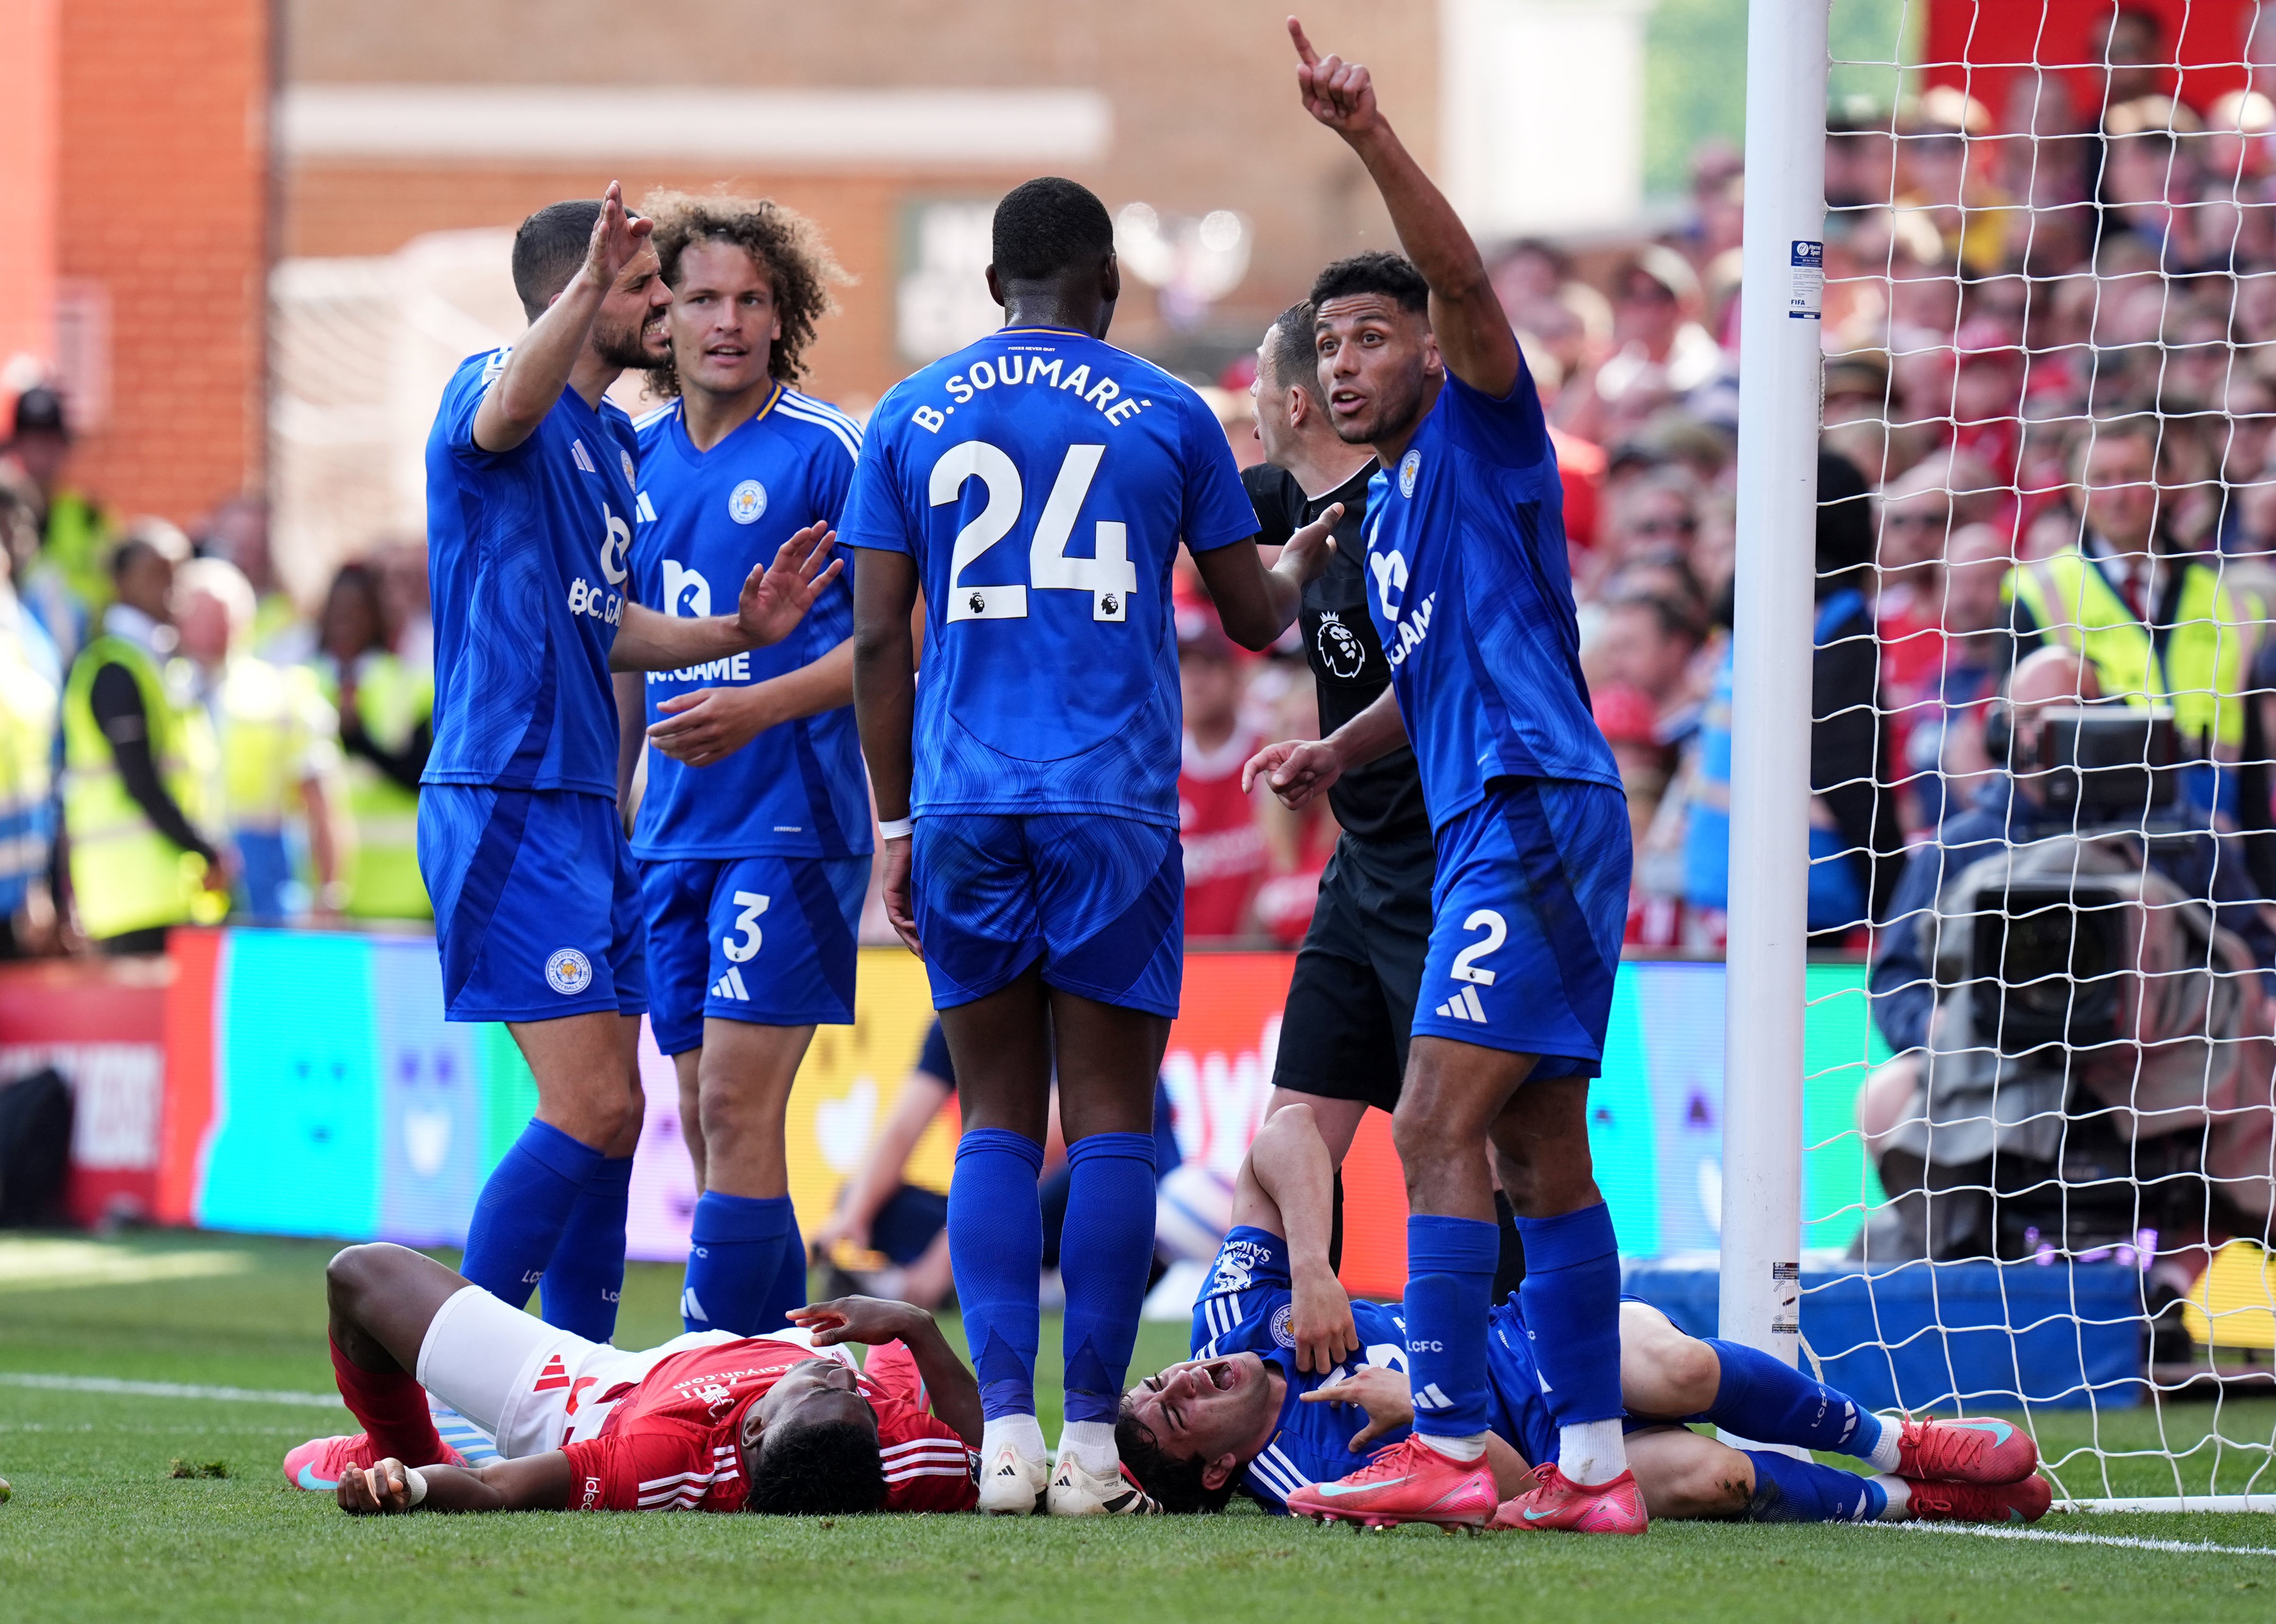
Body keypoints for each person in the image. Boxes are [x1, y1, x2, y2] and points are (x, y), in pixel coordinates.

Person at [842, 174, 1336, 1515]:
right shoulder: (1168, 412)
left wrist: (893, 822)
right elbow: (1247, 619)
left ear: (992, 286)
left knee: (995, 1117)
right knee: (1112, 1124)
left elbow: (879, 637)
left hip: (959, 801)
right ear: (1106, 285)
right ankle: (1092, 1451)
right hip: (1111, 801)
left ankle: (1001, 1438)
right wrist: (1302, 553)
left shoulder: (909, 410)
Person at [1252, 21, 1638, 1534]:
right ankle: (1594, 1471)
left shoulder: (1481, 429)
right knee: (1537, 1149)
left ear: (1425, 348)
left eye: (1369, 338)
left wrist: (1365, 136)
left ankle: (1453, 1441)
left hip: (1534, 807)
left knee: (1427, 1123)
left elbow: (1468, 283)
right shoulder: (1395, 515)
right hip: (1501, 805)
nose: (1344, 363)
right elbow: (1428, 681)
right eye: (1326, 346)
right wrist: (1333, 746)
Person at [420, 184, 844, 1350]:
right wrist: (571, 298)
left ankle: (588, 1380)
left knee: (626, 1118)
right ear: (580, 297)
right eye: (653, 285)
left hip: (592, 812)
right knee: (601, 1103)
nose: (671, 307)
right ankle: (462, 1374)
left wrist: (735, 639)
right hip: (504, 797)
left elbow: (604, 622)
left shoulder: (611, 446)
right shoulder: (493, 384)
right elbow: (509, 404)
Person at [1114, 1103, 2050, 1528]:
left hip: (1530, 1338)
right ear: (1219, 1468)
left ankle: (1898, 1444)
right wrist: (1424, 1413)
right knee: (1713, 1477)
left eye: (1158, 1379)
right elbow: (1513, 1493)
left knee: (1672, 1368)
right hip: (1556, 1461)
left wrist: (1311, 1267)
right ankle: (1914, 1503)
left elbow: (1280, 1139)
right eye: (1176, 1410)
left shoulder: (1233, 1314)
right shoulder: (1299, 1477)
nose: (1183, 1377)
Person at [616, 192, 869, 1341]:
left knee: (734, 1098)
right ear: (661, 316)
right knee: (704, 1119)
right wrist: (614, 803)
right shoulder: (630, 458)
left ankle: (717, 1372)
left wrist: (755, 708)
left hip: (791, 821)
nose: (726, 321)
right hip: (667, 832)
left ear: (783, 317)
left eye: (751, 300)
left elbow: (894, 643)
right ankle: (788, 1376)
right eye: (703, 297)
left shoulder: (826, 452)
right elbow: (624, 646)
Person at [1243, 298, 1529, 1287]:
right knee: (1291, 1127)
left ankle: (1504, 1371)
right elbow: (1175, 510)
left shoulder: (1407, 509)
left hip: (1446, 867)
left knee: (1461, 1141)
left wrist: (1333, 745)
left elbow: (1449, 672)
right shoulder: (1294, 505)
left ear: (1294, 403)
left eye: (1254, 391)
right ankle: (1270, 1361)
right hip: (1359, 867)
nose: (1247, 415)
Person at [283, 1242, 977, 1516]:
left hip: (590, 1390)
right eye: (853, 1394)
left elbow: (502, 1486)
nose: (836, 1376)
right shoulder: (894, 1450)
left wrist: (411, 1482)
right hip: (706, 1361)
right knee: (891, 1367)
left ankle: (394, 1441)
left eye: (825, 1388)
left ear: (757, 1426)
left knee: (359, 1275)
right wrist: (914, 1325)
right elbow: (990, 1460)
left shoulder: (663, 1458)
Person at [60, 524, 230, 953]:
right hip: (130, 897)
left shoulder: (160, 663)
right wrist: (206, 848)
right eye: (156, 574)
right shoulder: (115, 666)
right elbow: (141, 780)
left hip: (168, 892)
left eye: (178, 574)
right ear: (120, 583)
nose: (171, 588)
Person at [174, 558, 348, 925]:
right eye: (202, 615)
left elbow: (321, 801)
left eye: (223, 614)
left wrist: (330, 891)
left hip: (266, 886)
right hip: (182, 883)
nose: (214, 628)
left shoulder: (283, 693)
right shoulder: (165, 692)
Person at [318, 563, 431, 920]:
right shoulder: (301, 681)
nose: (345, 622)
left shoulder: (411, 685)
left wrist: (359, 740)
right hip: (319, 889)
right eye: (338, 611)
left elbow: (421, 776)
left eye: (358, 610)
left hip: (404, 891)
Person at [2, 384, 108, 662]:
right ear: (17, 447)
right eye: (32, 443)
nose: (41, 456)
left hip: (78, 651)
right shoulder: (4, 506)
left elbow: (107, 590)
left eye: (50, 444)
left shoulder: (90, 518)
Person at [1175, 614, 1265, 939]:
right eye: (1184, 667)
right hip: (1183, 964)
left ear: (1235, 676)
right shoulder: (1157, 766)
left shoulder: (1271, 751)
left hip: (1265, 957)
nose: (1195, 680)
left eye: (1209, 665)